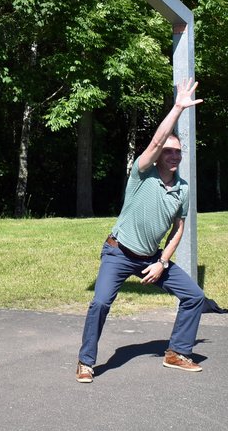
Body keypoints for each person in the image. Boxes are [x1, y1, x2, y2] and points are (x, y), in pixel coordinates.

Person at [76, 78, 207, 383]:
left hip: (151, 258)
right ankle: (85, 362)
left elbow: (179, 229)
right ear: (160, 155)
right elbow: (157, 140)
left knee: (194, 296)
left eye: (178, 153)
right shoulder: (142, 173)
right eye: (169, 152)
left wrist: (162, 263)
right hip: (118, 252)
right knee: (101, 302)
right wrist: (177, 108)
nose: (174, 156)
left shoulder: (183, 190)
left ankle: (176, 352)